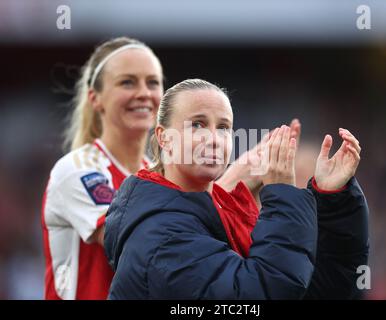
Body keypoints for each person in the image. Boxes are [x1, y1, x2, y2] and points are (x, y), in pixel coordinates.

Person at [104, 79, 369, 299]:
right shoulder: (161, 236)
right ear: (164, 138)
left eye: (223, 128)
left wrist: (332, 199)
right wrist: (282, 194)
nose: (214, 139)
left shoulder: (224, 214)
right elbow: (265, 293)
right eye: (197, 124)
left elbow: (325, 291)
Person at [41, 37, 164, 299]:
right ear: (95, 99)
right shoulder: (78, 169)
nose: (144, 92)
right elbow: (125, 238)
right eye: (127, 82)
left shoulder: (160, 175)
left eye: (152, 82)